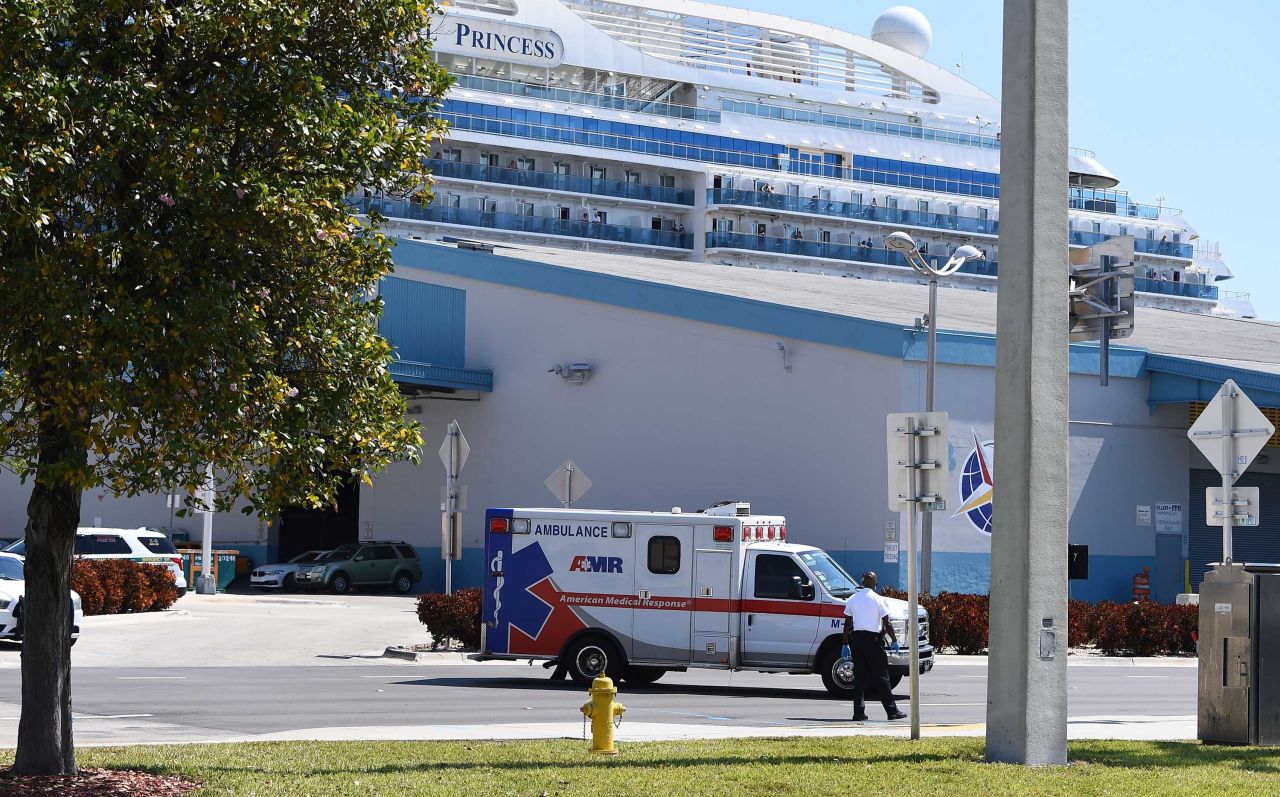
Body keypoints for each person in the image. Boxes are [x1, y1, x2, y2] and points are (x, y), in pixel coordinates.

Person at [842, 571, 907, 721]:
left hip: (856, 640)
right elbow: (887, 623)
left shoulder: (852, 599)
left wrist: (845, 644)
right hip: (872, 641)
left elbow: (847, 625)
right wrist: (894, 640)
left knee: (859, 678)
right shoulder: (878, 599)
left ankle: (858, 713)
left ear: (862, 582)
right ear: (875, 584)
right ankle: (892, 711)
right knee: (881, 676)